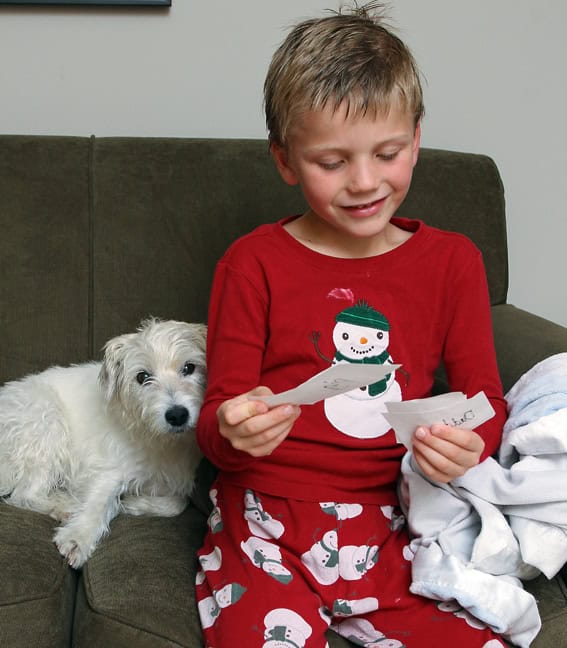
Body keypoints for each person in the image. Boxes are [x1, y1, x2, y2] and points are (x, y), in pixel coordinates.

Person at [195, 2, 508, 646]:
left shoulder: (453, 262)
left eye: (388, 153)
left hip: (396, 521)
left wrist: (469, 444)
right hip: (263, 519)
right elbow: (217, 427)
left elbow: (487, 403)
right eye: (331, 163)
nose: (365, 183)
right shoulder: (252, 262)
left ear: (416, 140)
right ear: (285, 161)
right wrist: (234, 428)